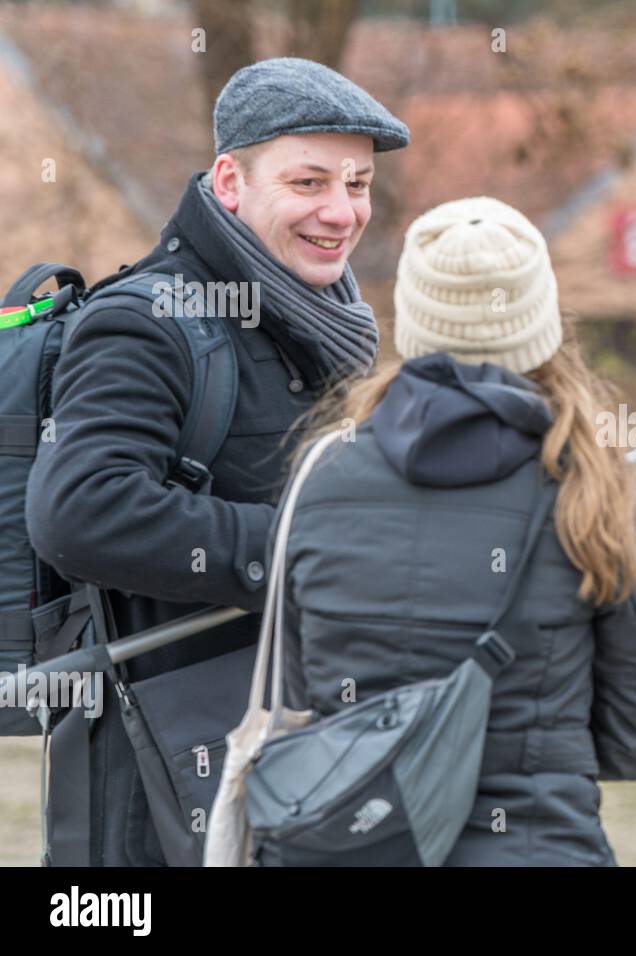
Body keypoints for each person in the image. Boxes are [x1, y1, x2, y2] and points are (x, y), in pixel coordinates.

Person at [26, 57, 409, 866]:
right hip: (154, 786)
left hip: (291, 758)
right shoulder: (148, 321)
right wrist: (308, 550)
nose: (341, 212)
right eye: (309, 183)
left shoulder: (321, 325)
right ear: (229, 181)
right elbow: (79, 510)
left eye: (358, 184)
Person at [275, 196, 636, 866]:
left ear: (413, 321)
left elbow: (297, 689)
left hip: (348, 844)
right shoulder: (591, 486)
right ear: (540, 322)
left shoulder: (321, 469)